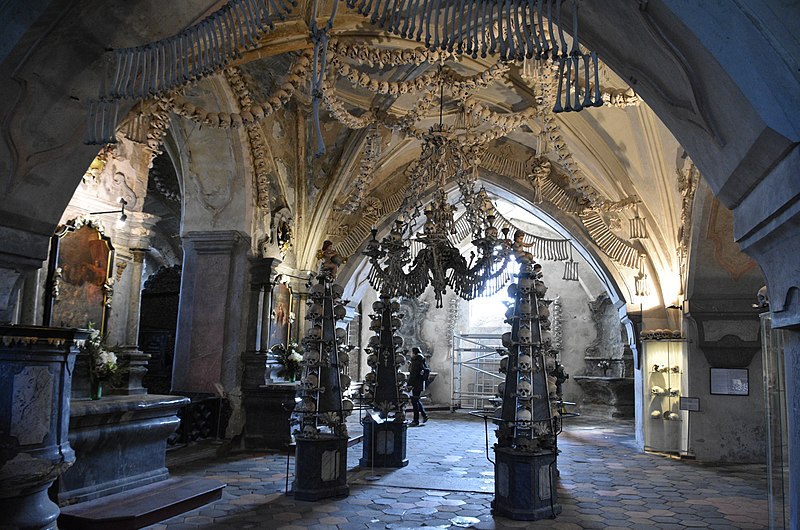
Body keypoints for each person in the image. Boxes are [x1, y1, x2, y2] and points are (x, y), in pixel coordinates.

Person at [408, 347, 430, 426]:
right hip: (420, 383)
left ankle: (416, 420)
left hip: (415, 383)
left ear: (414, 353)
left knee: (414, 401)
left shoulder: (416, 361)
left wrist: (409, 384)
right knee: (416, 400)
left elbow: (413, 374)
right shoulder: (421, 360)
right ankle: (424, 415)